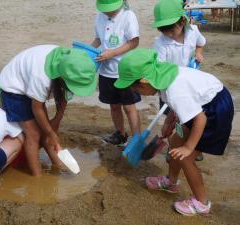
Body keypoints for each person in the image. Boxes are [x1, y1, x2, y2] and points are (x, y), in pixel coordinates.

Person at [114, 48, 234, 216]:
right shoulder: (163, 75)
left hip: (214, 110)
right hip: (203, 103)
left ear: (144, 81)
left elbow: (200, 119)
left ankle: (202, 203)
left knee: (186, 157)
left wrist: (189, 148)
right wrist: (169, 122)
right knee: (176, 141)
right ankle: (171, 182)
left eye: (134, 89)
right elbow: (176, 105)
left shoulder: (175, 90)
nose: (134, 92)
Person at [0, 45, 97, 176]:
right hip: (14, 88)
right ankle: (37, 176)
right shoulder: (40, 77)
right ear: (62, 78)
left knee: (49, 130)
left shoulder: (73, 64)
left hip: (33, 86)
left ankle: (58, 164)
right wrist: (50, 133)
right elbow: (37, 107)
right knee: (33, 133)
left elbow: (62, 101)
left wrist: (54, 126)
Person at [153, 0, 206, 161]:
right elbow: (160, 68)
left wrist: (198, 53)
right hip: (171, 88)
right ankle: (173, 146)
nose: (168, 33)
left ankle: (193, 147)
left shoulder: (193, 31)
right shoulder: (160, 43)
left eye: (170, 29)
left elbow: (201, 43)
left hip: (191, 85)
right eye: (163, 30)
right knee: (171, 119)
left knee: (190, 118)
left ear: (183, 21)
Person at [91, 0, 141, 146]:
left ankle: (137, 138)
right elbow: (98, 39)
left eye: (110, 9)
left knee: (129, 106)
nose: (107, 12)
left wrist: (112, 53)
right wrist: (87, 51)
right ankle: (120, 133)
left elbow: (134, 42)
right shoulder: (100, 17)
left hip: (124, 70)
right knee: (114, 105)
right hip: (106, 70)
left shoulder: (128, 16)